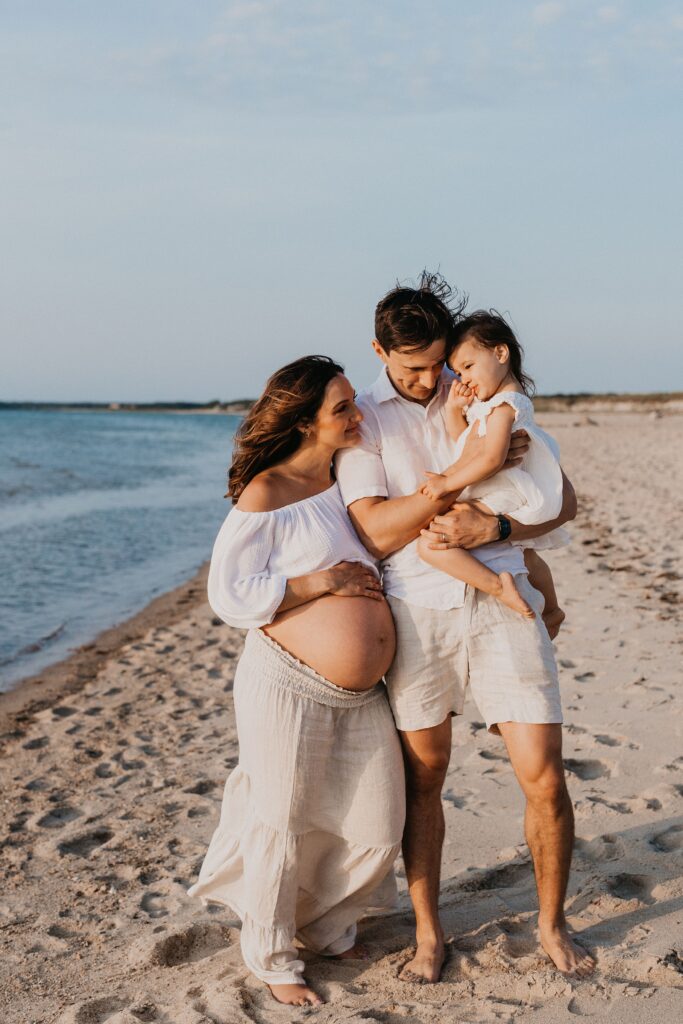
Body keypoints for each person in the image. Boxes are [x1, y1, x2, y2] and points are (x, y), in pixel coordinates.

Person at [335, 273, 596, 981]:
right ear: (378, 352)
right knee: (425, 780)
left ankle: (551, 922)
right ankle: (427, 934)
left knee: (542, 776)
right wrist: (446, 499)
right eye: (412, 367)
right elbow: (375, 531)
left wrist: (498, 523)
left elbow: (561, 503)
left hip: (503, 592)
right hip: (416, 611)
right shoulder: (362, 420)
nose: (429, 381)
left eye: (439, 363)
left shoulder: (480, 393)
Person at [188, 356, 405, 1008]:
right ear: (305, 421)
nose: (355, 416)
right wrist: (321, 583)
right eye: (341, 408)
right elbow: (227, 594)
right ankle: (273, 951)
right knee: (281, 819)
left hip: (357, 691)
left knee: (375, 820)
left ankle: (324, 921)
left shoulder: (347, 479)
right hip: (284, 680)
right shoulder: (267, 490)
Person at [418, 310, 568, 638]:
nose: (464, 378)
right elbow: (465, 446)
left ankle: (501, 588)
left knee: (429, 546)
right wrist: (453, 412)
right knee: (525, 552)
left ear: (501, 353)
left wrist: (447, 484)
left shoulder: (504, 406)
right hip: (506, 490)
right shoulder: (493, 406)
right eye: (457, 372)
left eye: (469, 367)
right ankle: (553, 608)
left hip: (505, 490)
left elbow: (491, 459)